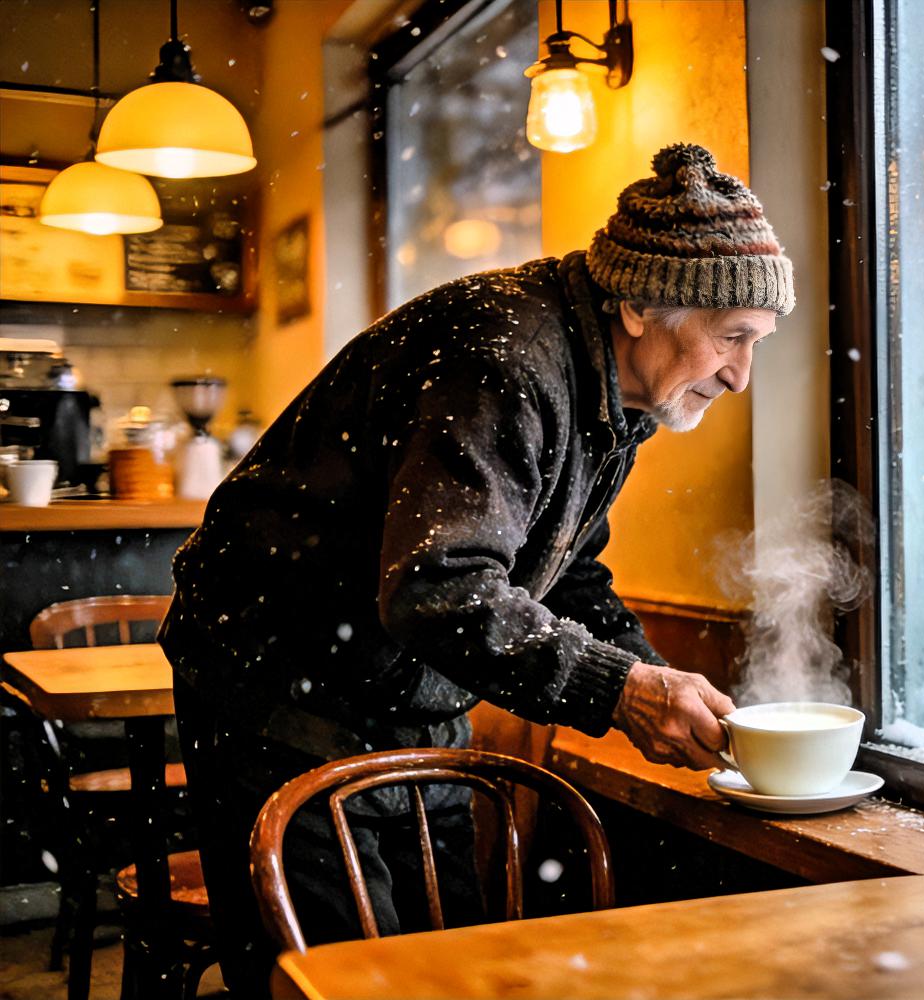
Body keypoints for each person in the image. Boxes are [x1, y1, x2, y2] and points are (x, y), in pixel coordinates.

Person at [157, 142, 791, 993]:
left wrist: (652, 677)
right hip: (279, 688)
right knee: (333, 982)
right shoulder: (506, 356)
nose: (741, 375)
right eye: (732, 337)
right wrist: (619, 691)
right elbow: (438, 589)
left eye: (757, 343)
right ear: (641, 304)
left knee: (449, 971)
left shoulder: (615, 391)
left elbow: (565, 572)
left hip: (410, 696)